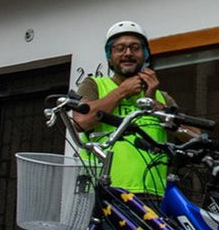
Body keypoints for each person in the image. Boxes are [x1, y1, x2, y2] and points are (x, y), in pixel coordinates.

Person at [73, 20, 179, 197]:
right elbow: (81, 121)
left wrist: (155, 103)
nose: (128, 53)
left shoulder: (162, 97)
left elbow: (193, 134)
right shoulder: (94, 85)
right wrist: (122, 91)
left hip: (153, 195)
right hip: (103, 193)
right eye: (120, 48)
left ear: (145, 55)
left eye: (135, 48)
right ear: (109, 56)